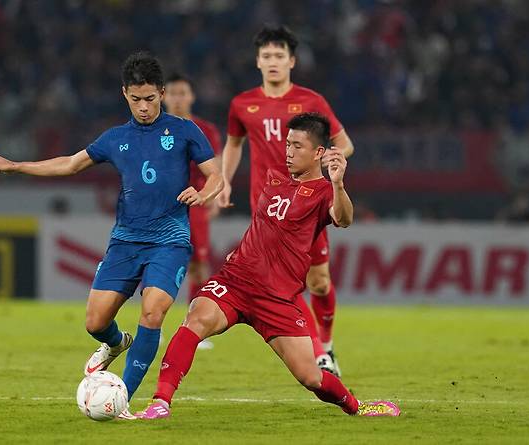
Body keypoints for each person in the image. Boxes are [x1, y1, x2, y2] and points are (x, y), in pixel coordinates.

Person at [0, 52, 223, 418]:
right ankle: (116, 342)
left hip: (170, 239)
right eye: (136, 99)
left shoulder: (185, 131)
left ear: (161, 93)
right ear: (125, 93)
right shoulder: (115, 138)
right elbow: (70, 164)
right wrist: (17, 165)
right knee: (95, 323)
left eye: (150, 99)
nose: (143, 107)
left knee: (153, 312)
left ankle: (124, 399)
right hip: (125, 240)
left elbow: (216, 175)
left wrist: (203, 194)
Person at [136, 113, 400, 419]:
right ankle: (160, 402)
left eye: (297, 146)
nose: (288, 152)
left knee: (311, 377)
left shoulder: (324, 193)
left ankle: (358, 407)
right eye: (288, 144)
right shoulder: (274, 175)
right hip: (236, 281)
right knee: (195, 319)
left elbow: (343, 219)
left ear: (318, 153)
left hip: (277, 298)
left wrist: (339, 185)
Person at [217, 25, 355, 376]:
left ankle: (325, 345)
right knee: (284, 283)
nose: (273, 61)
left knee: (319, 281)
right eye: (267, 56)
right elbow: (234, 145)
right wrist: (224, 181)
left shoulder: (312, 102)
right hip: (268, 209)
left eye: (280, 55)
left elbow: (345, 142)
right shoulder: (242, 105)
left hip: (308, 205)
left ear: (292, 61)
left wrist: (329, 165)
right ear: (257, 62)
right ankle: (314, 355)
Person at [163, 72, 223, 350]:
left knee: (198, 266)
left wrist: (214, 196)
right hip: (163, 203)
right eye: (172, 93)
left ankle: (192, 326)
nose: (177, 99)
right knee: (161, 263)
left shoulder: (205, 129)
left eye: (182, 93)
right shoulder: (155, 128)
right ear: (163, 97)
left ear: (191, 97)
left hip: (196, 203)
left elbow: (217, 167)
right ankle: (156, 325)